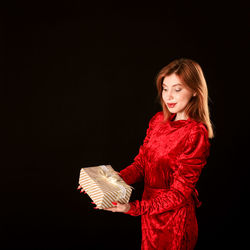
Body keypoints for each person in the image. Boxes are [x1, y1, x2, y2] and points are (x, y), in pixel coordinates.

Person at [79, 58, 213, 250]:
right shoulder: (158, 120)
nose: (169, 97)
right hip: (149, 216)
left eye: (177, 89)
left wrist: (134, 208)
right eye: (165, 88)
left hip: (175, 221)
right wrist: (106, 182)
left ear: (194, 91)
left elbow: (179, 194)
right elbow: (142, 165)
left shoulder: (195, 133)